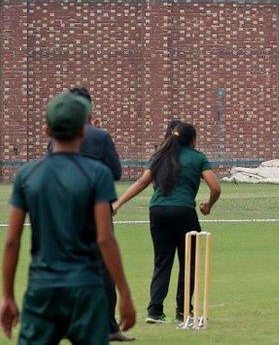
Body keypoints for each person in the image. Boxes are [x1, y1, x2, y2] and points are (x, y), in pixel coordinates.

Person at [1, 92, 136, 343]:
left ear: (46, 131)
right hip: (86, 287)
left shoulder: (27, 175)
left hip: (42, 288)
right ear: (83, 131)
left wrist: (7, 296)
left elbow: (11, 241)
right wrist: (125, 295)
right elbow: (105, 239)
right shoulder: (97, 174)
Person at [112, 122, 221, 324]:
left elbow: (141, 182)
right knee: (188, 262)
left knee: (162, 261)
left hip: (158, 212)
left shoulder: (159, 156)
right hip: (184, 212)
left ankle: (154, 311)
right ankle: (183, 311)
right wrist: (208, 206)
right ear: (192, 140)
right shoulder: (198, 158)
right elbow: (215, 187)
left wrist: (118, 203)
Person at [48, 87, 132, 342]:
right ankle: (108, 327)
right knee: (104, 266)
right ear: (89, 110)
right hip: (97, 211)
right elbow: (116, 172)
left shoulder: (55, 140)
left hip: (63, 212)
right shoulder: (101, 136)